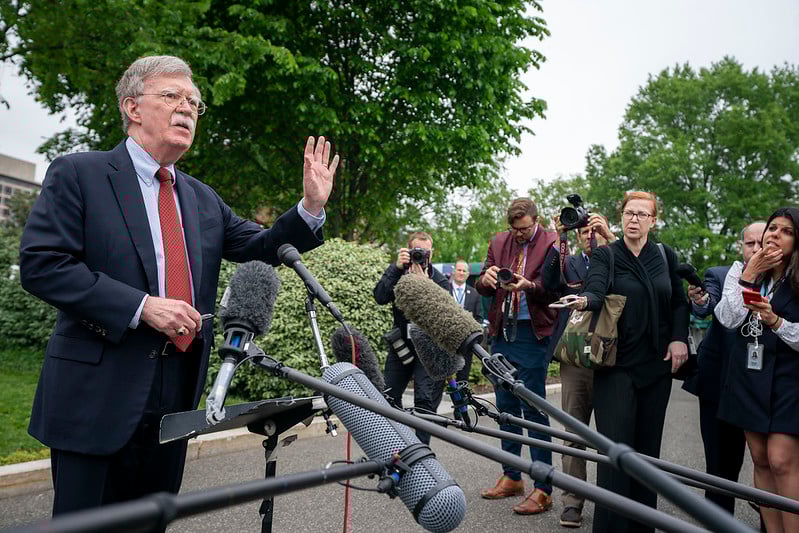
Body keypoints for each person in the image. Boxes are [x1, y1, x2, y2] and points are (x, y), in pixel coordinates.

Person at [18, 55, 338, 517]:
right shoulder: (79, 174)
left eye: (194, 102)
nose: (187, 108)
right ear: (132, 107)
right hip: (96, 395)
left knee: (151, 522)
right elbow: (43, 265)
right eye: (172, 96)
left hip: (175, 396)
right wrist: (141, 306)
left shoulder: (201, 197)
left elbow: (264, 246)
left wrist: (309, 206)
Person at [566, 191, 689, 533]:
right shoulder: (607, 255)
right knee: (616, 455)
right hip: (616, 367)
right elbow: (595, 289)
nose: (634, 219)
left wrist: (679, 338)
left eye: (641, 214)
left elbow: (679, 303)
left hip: (656, 368)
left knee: (647, 456)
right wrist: (583, 301)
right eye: (629, 213)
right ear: (621, 218)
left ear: (653, 220)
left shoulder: (665, 255)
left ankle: (642, 528)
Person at [715, 207, 799, 533]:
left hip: (790, 378)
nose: (775, 234)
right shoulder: (747, 271)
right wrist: (749, 274)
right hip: (750, 374)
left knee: (781, 458)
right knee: (761, 459)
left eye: (786, 231)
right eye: (772, 228)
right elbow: (727, 318)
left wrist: (776, 321)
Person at [475, 197, 558, 516]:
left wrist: (530, 286)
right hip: (501, 331)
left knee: (533, 408)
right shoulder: (499, 241)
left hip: (533, 332)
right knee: (506, 407)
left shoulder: (551, 242)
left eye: (524, 229)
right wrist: (486, 280)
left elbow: (557, 290)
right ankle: (511, 475)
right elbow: (482, 285)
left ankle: (543, 487)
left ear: (535, 221)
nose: (519, 235)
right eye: (514, 229)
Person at [683, 221, 765, 515]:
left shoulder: (786, 278)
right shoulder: (720, 274)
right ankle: (718, 522)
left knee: (771, 465)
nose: (756, 249)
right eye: (749, 243)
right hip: (720, 383)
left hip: (767, 387)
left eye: (762, 243)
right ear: (741, 246)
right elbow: (708, 304)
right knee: (720, 467)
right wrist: (701, 299)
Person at [541, 214, 614, 529]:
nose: (589, 235)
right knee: (572, 433)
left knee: (613, 436)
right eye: (583, 231)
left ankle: (613, 503)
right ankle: (572, 503)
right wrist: (559, 238)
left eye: (593, 229)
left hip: (612, 357)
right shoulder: (568, 262)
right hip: (574, 358)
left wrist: (610, 241)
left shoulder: (617, 256)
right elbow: (548, 283)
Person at [373, 231, 449, 444]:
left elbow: (445, 313)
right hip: (402, 347)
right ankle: (394, 445)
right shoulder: (398, 274)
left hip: (427, 348)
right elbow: (380, 296)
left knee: (424, 400)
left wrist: (426, 285)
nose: (421, 257)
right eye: (417, 252)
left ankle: (421, 450)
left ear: (431, 254)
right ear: (407, 251)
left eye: (425, 253)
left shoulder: (440, 280)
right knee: (388, 396)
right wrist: (395, 268)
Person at [449, 259, 482, 383]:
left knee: (463, 379)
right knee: (441, 381)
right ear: (453, 272)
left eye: (464, 271)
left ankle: (462, 403)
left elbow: (478, 318)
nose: (461, 273)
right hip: (445, 342)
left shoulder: (474, 294)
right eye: (459, 270)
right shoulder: (443, 289)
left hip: (465, 344)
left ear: (468, 274)